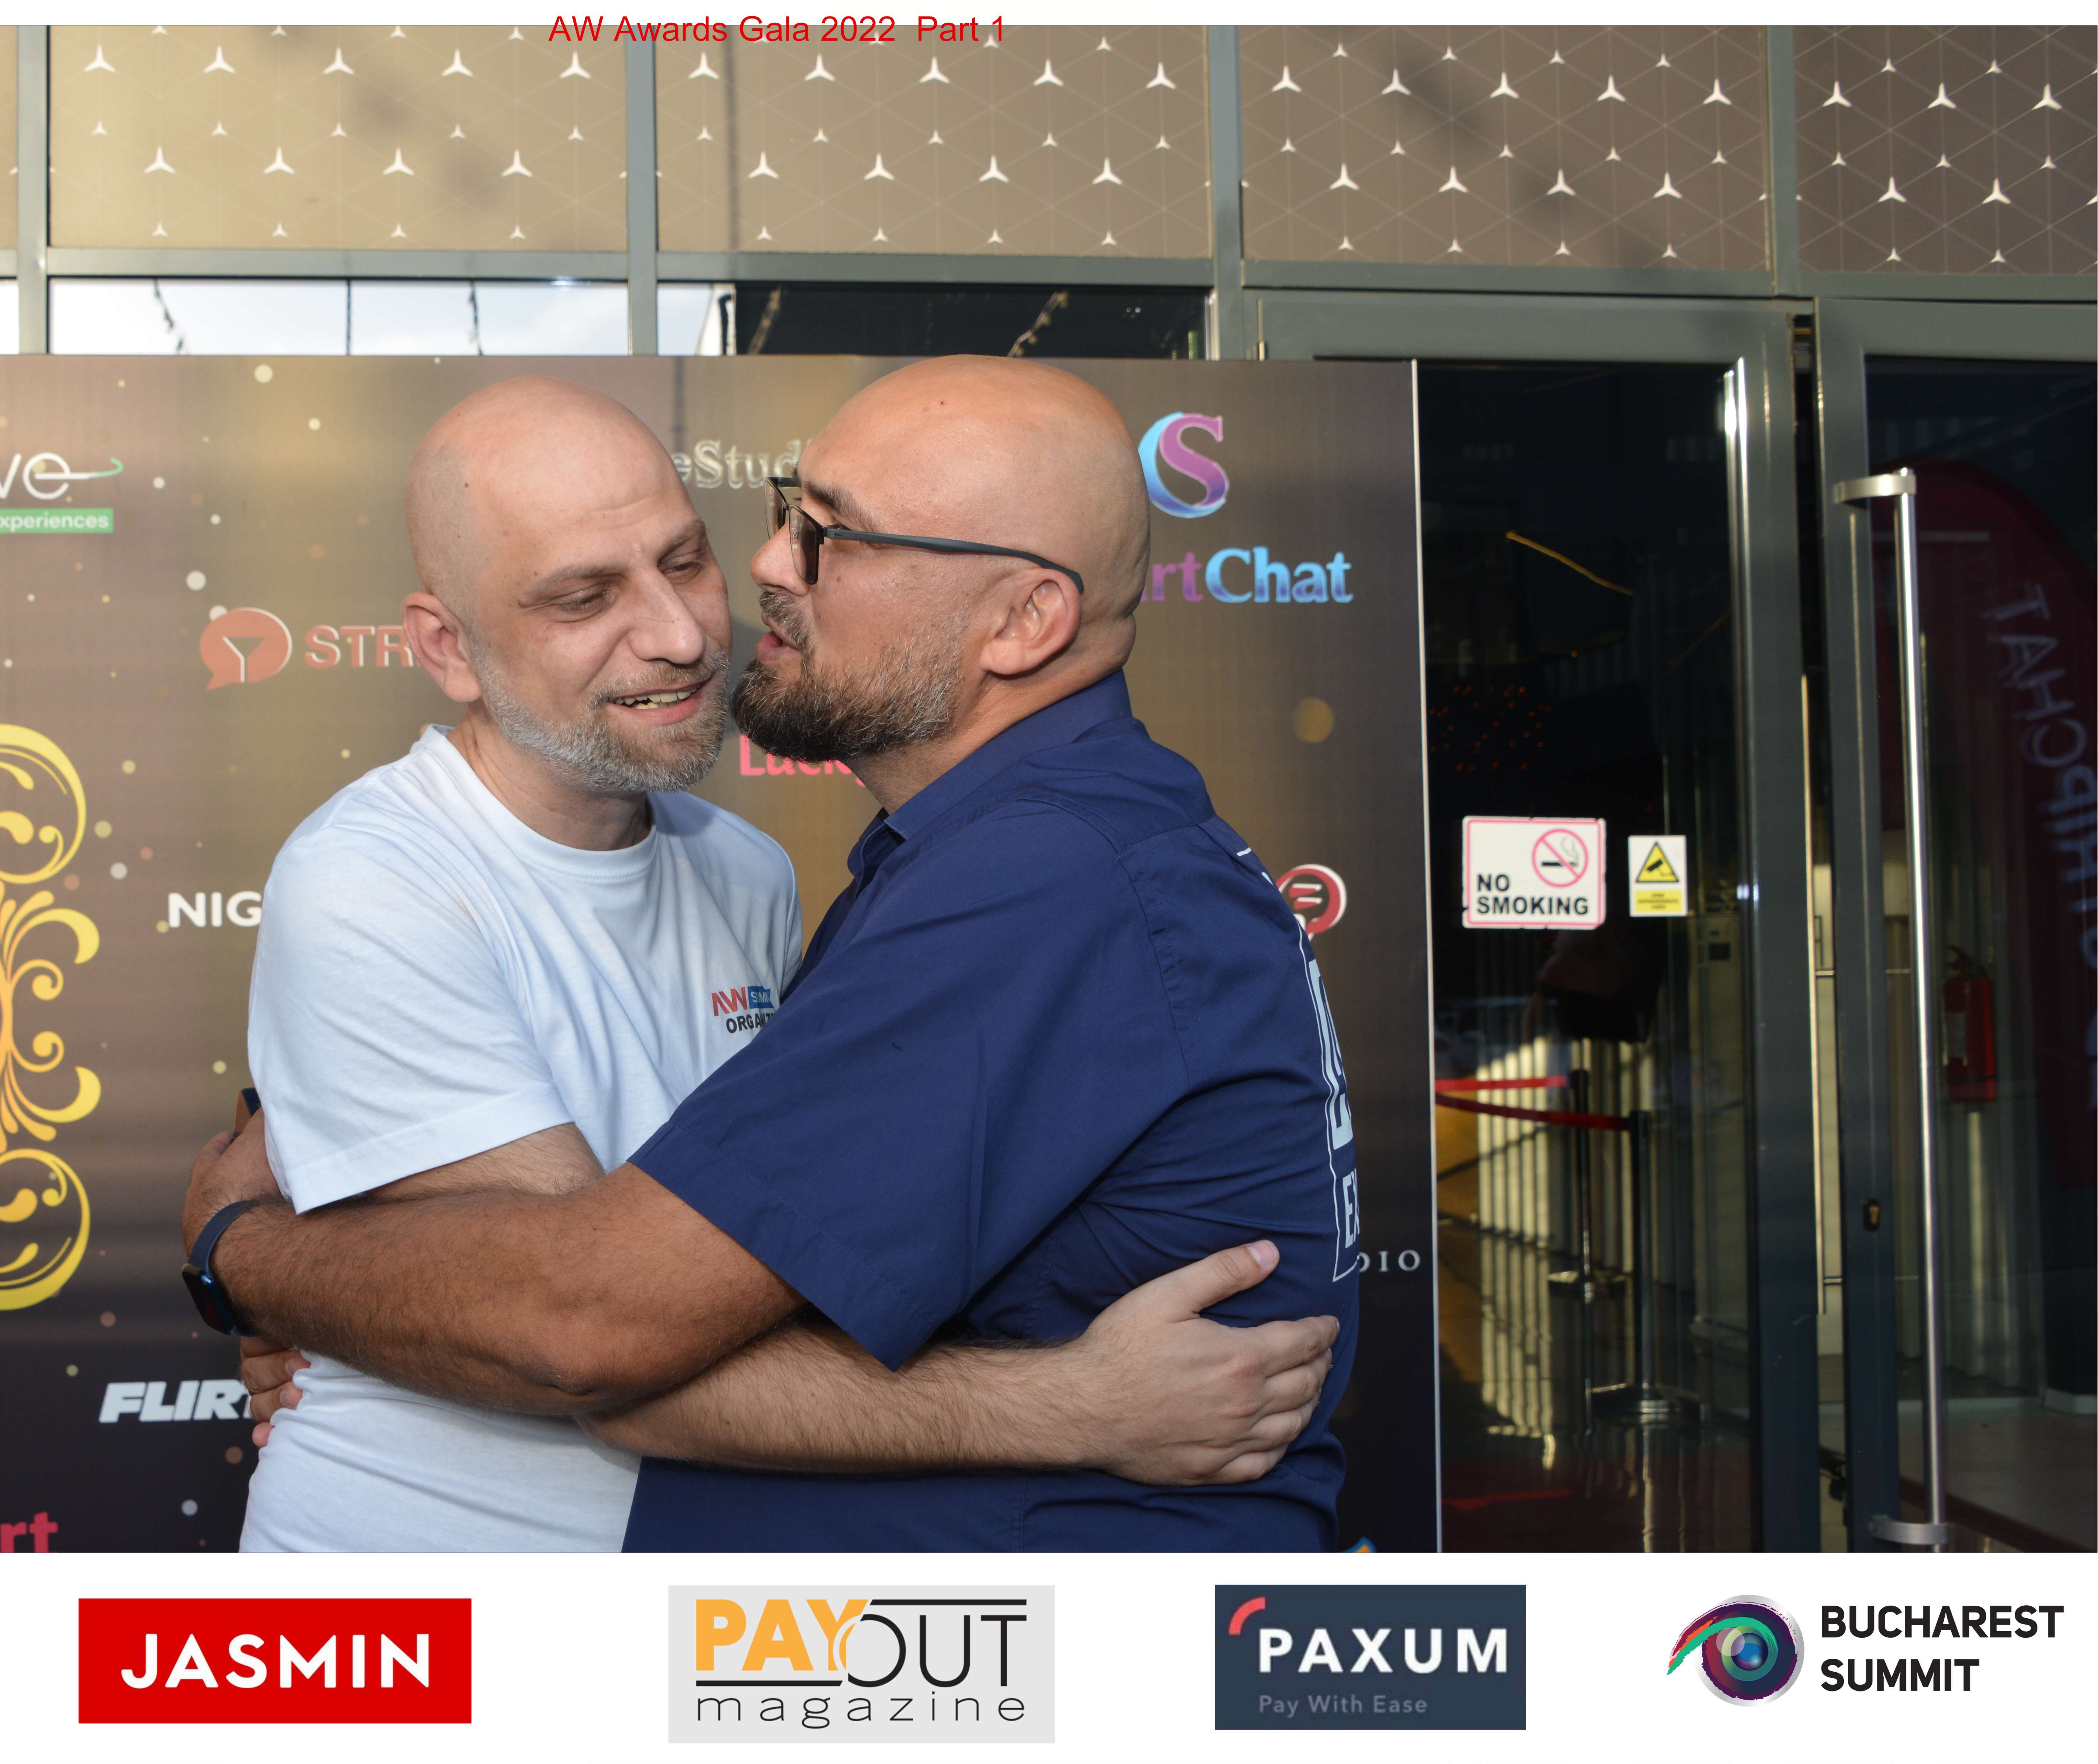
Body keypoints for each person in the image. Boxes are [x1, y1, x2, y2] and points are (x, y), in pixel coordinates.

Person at [197, 359, 1357, 1551]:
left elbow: (588, 1329)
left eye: (830, 538)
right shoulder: (383, 875)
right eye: (584, 596)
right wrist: (1071, 1404)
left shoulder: (1017, 874)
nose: (731, 596)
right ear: (448, 646)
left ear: (1025, 622)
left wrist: (242, 1249)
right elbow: (584, 1329)